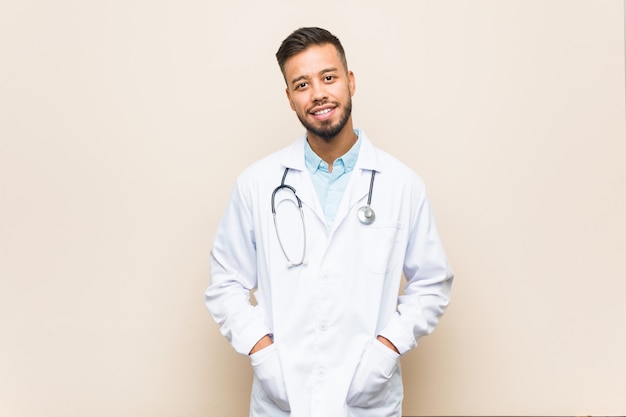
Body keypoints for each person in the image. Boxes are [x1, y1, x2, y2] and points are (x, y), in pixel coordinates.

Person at [205, 27, 454, 417]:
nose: (318, 93)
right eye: (301, 84)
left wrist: (387, 349)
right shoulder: (257, 184)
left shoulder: (402, 184)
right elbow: (225, 284)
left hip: (367, 396)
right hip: (282, 395)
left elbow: (432, 282)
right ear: (289, 99)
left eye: (329, 77)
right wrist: (262, 352)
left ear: (350, 82)